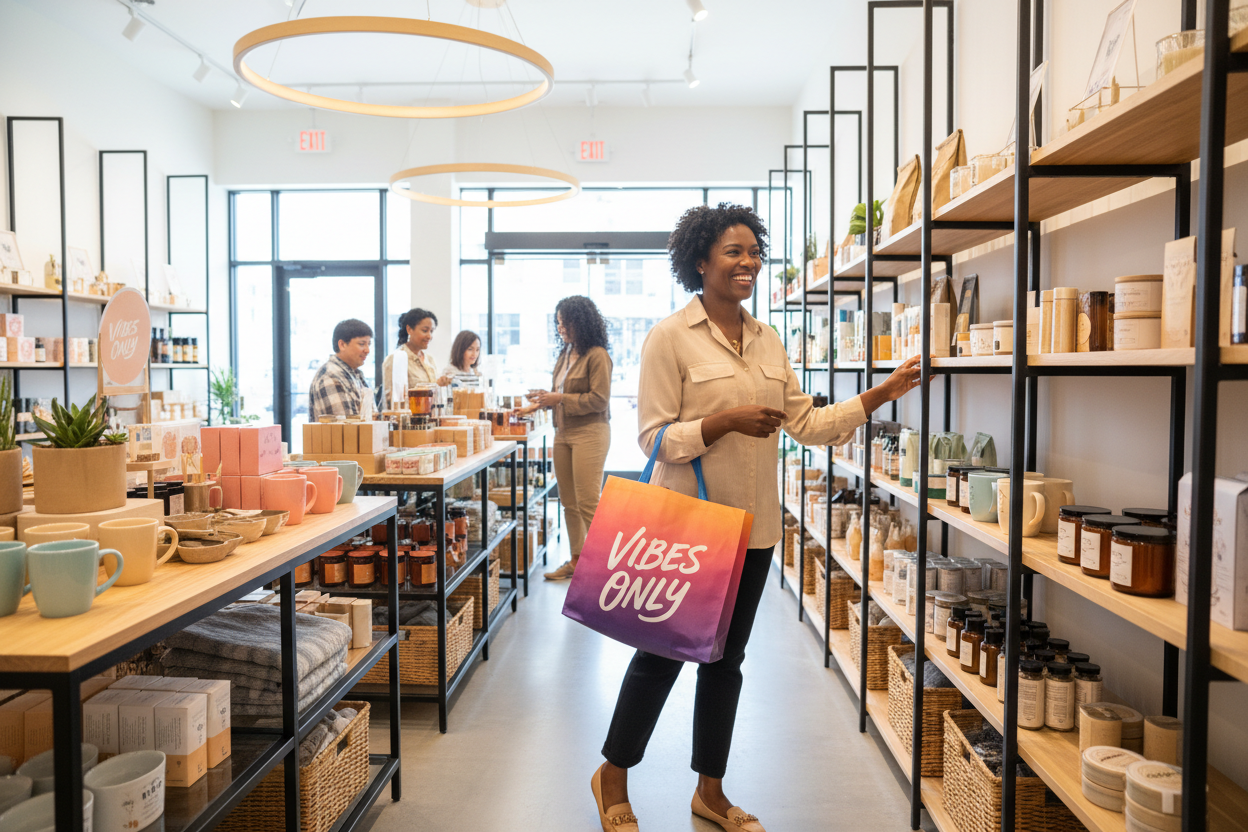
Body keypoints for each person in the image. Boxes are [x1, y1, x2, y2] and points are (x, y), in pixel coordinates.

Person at [590, 204, 921, 832]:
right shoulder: (670, 337)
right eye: (734, 252)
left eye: (753, 252)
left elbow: (810, 424)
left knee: (725, 662)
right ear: (700, 263)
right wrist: (723, 421)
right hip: (688, 530)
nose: (749, 264)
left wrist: (881, 393)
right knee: (661, 658)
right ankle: (613, 775)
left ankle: (709, 792)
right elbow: (652, 440)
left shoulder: (768, 339)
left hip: (754, 531)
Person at [524, 295, 612, 582]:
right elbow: (558, 395)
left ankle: (609, 566)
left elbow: (599, 400)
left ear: (581, 322)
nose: (561, 328)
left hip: (590, 432)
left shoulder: (597, 355)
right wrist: (539, 401)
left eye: (566, 322)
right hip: (563, 433)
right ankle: (577, 560)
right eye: (558, 322)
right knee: (569, 502)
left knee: (588, 502)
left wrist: (559, 397)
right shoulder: (566, 353)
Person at [382, 308, 452, 406]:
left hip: (432, 417)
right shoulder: (395, 359)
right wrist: (433, 388)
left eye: (431, 331)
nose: (429, 336)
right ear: (409, 329)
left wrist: (441, 385)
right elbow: (392, 401)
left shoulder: (430, 360)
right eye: (425, 330)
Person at [308, 319, 374, 422]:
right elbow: (346, 430)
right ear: (342, 345)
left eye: (369, 344)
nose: (367, 350)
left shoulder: (355, 374)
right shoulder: (330, 377)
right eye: (362, 344)